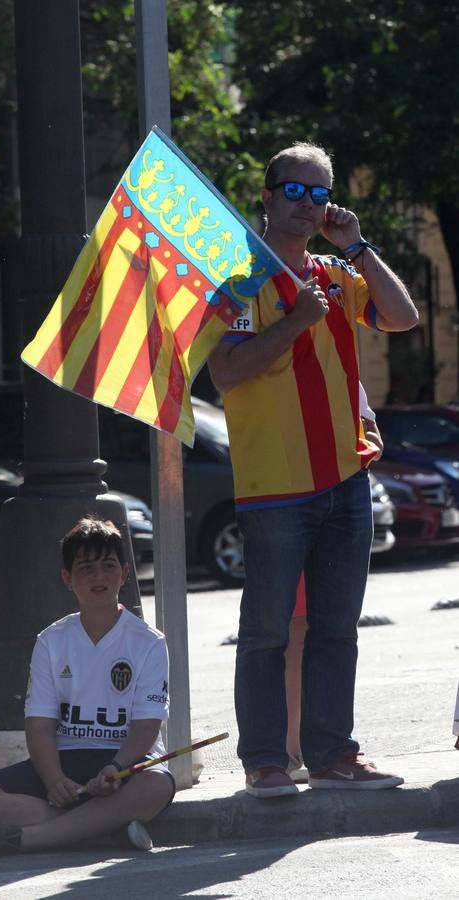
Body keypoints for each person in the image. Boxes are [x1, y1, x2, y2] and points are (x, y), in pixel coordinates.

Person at [208, 141, 419, 798]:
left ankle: (332, 755)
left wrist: (356, 246)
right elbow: (225, 372)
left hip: (344, 478)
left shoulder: (335, 271)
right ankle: (265, 762)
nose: (306, 205)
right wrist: (298, 318)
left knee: (336, 627)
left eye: (318, 193)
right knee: (267, 631)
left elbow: (401, 317)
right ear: (267, 197)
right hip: (274, 486)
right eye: (292, 191)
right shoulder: (239, 278)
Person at [0, 516, 175, 855]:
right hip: (66, 758)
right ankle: (107, 831)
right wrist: (53, 780)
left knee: (156, 785)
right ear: (68, 579)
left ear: (124, 574)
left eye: (108, 566)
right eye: (87, 568)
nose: (99, 577)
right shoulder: (51, 640)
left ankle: (30, 839)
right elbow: (39, 724)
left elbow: (147, 727)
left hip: (122, 763)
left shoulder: (149, 642)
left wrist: (115, 769)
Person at [285, 391, 384, 782]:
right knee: (291, 631)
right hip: (287, 494)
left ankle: (315, 752)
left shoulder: (338, 354)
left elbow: (368, 421)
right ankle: (287, 751)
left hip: (338, 496)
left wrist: (370, 443)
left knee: (327, 630)